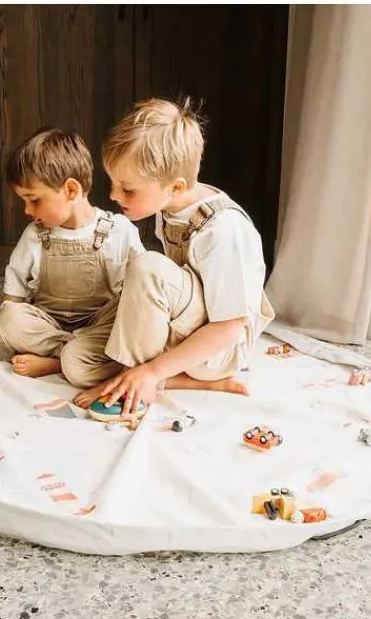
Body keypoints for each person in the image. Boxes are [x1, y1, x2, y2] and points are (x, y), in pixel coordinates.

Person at [73, 97, 275, 416]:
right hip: (184, 324)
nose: (112, 195)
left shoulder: (222, 231)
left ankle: (143, 379)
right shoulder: (168, 205)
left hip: (219, 348)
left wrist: (151, 370)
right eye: (113, 183)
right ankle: (173, 379)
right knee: (77, 364)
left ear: (176, 187)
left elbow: (229, 327)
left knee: (147, 266)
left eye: (128, 189)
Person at [0, 128, 143, 388]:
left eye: (34, 200)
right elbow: (14, 293)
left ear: (71, 190)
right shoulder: (34, 236)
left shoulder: (119, 230)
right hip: (48, 324)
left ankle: (59, 361)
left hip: (99, 326)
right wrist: (0, 323)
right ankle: (70, 356)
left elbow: (143, 290)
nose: (27, 210)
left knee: (133, 315)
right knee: (9, 317)